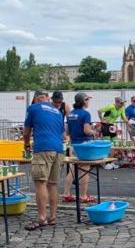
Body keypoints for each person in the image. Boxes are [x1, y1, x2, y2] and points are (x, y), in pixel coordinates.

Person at [22, 90, 66, 230]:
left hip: (42, 149)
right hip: (58, 150)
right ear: (47, 98)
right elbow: (63, 135)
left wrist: (26, 145)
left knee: (41, 183)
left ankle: (41, 218)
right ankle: (52, 217)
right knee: (52, 184)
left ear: (35, 98)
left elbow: (26, 132)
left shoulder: (33, 108)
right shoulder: (58, 112)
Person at [63, 92, 96, 203]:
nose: (89, 102)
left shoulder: (70, 114)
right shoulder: (86, 114)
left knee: (73, 170)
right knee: (85, 170)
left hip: (74, 144)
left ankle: (66, 194)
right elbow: (86, 131)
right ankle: (83, 196)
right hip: (84, 145)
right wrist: (94, 131)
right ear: (84, 101)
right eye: (88, 100)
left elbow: (67, 131)